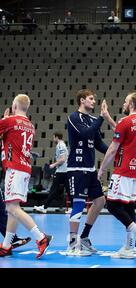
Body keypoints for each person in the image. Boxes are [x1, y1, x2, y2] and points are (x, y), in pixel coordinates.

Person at [97, 93, 136, 259]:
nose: (124, 102)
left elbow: (113, 148)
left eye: (126, 101)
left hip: (124, 170)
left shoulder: (125, 121)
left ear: (132, 104)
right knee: (128, 206)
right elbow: (126, 134)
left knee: (113, 206)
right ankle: (129, 247)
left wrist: (101, 169)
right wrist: (107, 117)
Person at [0, 95, 52, 258]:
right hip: (25, 168)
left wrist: (4, 118)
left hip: (14, 168)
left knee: (13, 208)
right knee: (11, 210)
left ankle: (41, 237)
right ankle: (6, 246)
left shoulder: (10, 121)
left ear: (14, 105)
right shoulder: (30, 125)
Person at [66, 89, 111, 256]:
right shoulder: (73, 117)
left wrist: (115, 151)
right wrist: (102, 117)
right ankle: (72, 243)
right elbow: (85, 135)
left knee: (100, 201)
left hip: (90, 169)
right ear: (82, 100)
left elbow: (98, 144)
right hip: (77, 168)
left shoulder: (92, 120)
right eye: (91, 99)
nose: (94, 101)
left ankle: (84, 237)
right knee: (78, 204)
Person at [34, 132, 68, 213]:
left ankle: (44, 208)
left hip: (62, 171)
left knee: (53, 189)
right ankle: (68, 208)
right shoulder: (61, 145)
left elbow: (63, 159)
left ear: (56, 137)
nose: (53, 139)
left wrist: (54, 165)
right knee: (66, 190)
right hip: (64, 171)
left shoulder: (61, 145)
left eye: (53, 137)